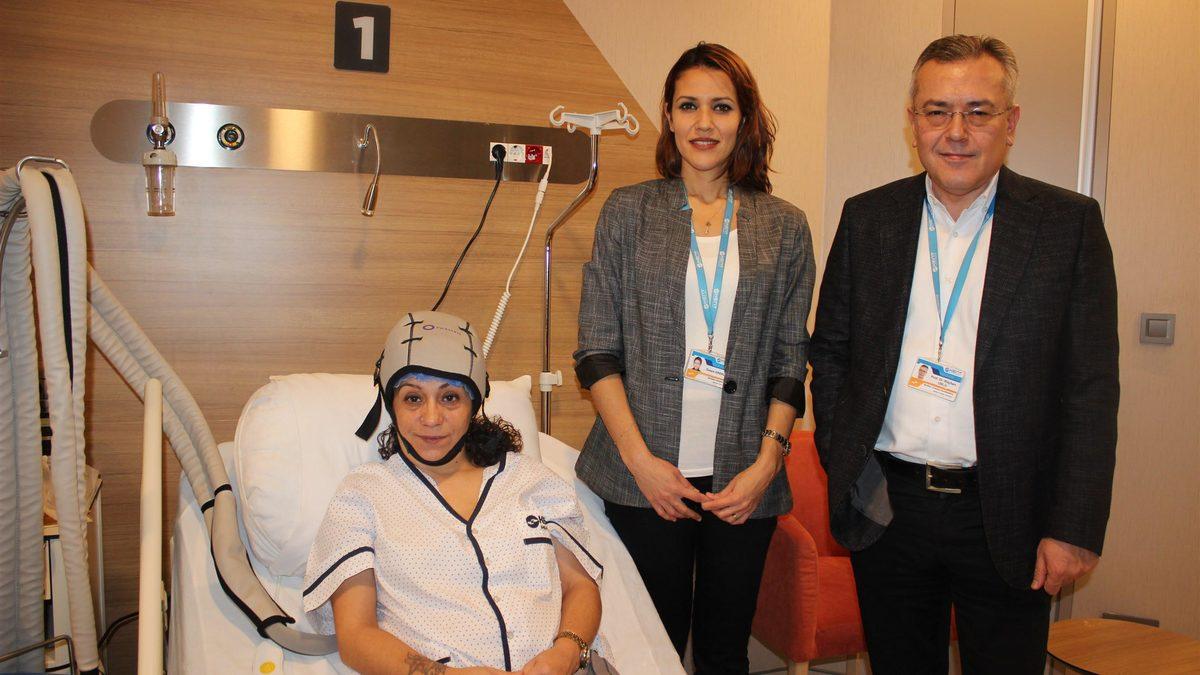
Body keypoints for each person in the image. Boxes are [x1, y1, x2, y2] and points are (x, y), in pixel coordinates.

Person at [809, 35, 1118, 674]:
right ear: (913, 121)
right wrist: (848, 460)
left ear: (1011, 123)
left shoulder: (1067, 225)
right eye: (937, 111)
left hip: (1008, 512)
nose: (956, 132)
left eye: (978, 112)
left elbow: (1090, 389)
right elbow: (832, 353)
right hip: (888, 506)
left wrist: (1074, 525)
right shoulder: (868, 218)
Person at [573, 42, 815, 673]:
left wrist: (768, 463)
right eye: (688, 106)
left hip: (743, 479)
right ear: (669, 116)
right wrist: (641, 463)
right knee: (649, 652)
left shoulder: (784, 225)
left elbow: (791, 355)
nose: (704, 123)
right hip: (644, 476)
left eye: (721, 107)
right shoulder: (628, 212)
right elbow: (596, 351)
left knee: (724, 652)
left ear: (745, 119)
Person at [303, 311, 603, 675]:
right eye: (413, 399)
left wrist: (567, 652)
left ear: (474, 404)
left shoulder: (531, 480)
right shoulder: (363, 495)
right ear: (390, 403)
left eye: (450, 397)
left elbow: (580, 586)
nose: (431, 418)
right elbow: (356, 637)